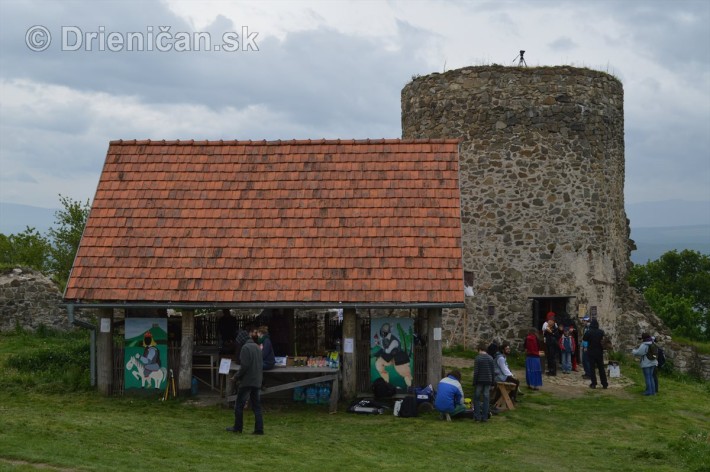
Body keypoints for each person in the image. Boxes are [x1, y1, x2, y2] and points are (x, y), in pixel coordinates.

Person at [227, 326, 264, 435]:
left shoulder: (245, 348)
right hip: (257, 380)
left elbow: (244, 366)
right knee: (257, 407)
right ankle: (259, 429)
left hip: (247, 381)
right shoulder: (257, 347)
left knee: (239, 405)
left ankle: (238, 427)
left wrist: (236, 377)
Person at [373, 322, 413, 388]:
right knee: (379, 363)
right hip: (391, 357)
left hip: (400, 359)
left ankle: (410, 386)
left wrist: (381, 348)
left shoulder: (394, 341)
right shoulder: (385, 339)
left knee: (405, 373)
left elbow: (388, 351)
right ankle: (385, 382)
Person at [473, 342, 496, 422]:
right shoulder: (490, 358)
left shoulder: (478, 358)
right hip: (488, 380)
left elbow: (476, 372)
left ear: (479, 349)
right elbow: (493, 372)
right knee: (486, 398)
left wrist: (474, 382)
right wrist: (493, 383)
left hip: (479, 380)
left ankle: (477, 417)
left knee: (476, 398)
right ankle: (485, 417)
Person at [582, 319, 608, 389]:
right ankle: (604, 383)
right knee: (601, 368)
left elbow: (584, 339)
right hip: (599, 352)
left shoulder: (589, 332)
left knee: (592, 368)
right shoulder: (601, 332)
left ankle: (594, 383)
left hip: (591, 352)